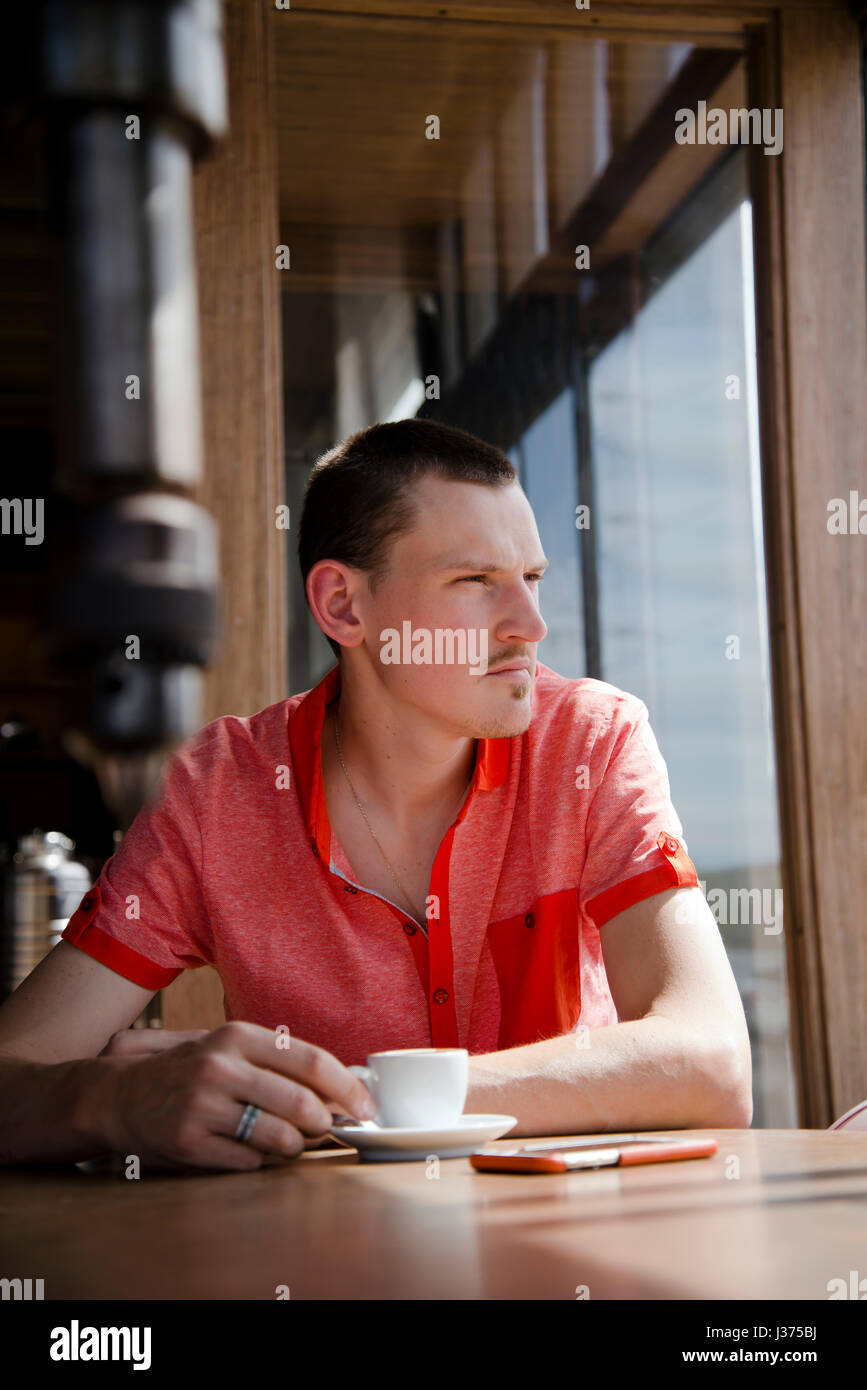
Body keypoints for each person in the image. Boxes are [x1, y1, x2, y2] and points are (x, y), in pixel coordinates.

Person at [0, 418, 751, 1172]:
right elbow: (12, 1075)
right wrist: (114, 1101)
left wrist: (351, 1098)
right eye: (474, 581)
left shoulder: (592, 741)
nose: (530, 624)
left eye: (531, 579)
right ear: (343, 608)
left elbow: (710, 1063)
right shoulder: (216, 792)